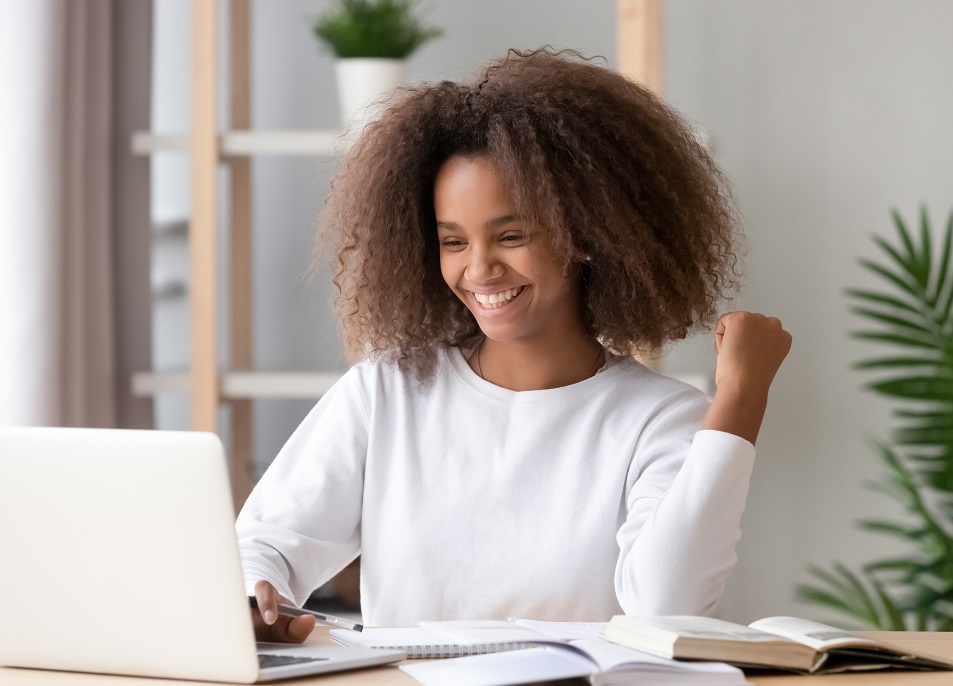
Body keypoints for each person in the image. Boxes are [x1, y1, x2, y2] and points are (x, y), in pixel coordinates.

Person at [237, 48, 792, 643]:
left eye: (511, 235)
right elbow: (267, 543)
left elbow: (666, 606)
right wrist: (252, 594)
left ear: (586, 234)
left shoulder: (659, 419)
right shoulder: (386, 392)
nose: (480, 269)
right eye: (453, 242)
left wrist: (740, 399)